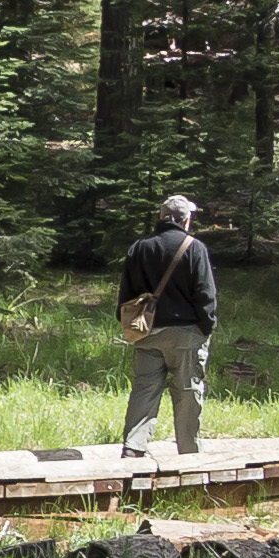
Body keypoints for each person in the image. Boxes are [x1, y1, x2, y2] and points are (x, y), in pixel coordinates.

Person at [115, 193, 215, 457]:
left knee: (144, 389)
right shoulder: (194, 248)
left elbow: (125, 294)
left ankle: (134, 448)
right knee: (187, 392)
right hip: (187, 334)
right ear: (186, 221)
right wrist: (206, 327)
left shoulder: (139, 247)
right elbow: (206, 294)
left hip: (147, 332)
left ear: (161, 218)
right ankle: (189, 452)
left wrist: (129, 323)